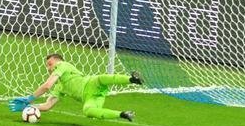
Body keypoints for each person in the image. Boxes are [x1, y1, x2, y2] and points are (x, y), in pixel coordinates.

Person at [10, 52, 144, 121]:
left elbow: (46, 86)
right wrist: (30, 107)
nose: (49, 68)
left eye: (50, 64)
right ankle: (123, 114)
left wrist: (29, 99)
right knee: (88, 111)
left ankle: (132, 79)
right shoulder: (60, 86)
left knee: (102, 78)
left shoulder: (63, 65)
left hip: (91, 83)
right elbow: (47, 105)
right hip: (92, 97)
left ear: (58, 61)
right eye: (47, 66)